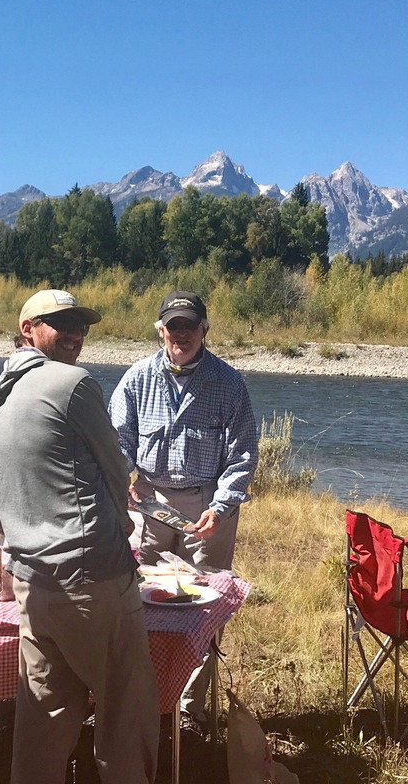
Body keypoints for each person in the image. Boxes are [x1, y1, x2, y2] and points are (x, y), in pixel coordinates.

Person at [0, 289, 159, 784]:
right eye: (62, 323)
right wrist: (121, 528)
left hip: (32, 584)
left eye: (81, 325)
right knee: (125, 712)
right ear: (28, 329)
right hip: (92, 579)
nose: (76, 333)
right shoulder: (73, 383)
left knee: (43, 717)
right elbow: (115, 468)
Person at [108, 290, 258, 735]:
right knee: (141, 601)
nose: (182, 334)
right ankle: (146, 701)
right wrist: (120, 480)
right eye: (173, 326)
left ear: (204, 330)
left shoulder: (229, 384)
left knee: (203, 607)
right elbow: (118, 441)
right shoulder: (136, 379)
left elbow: (242, 456)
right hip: (148, 501)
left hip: (207, 505)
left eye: (190, 326)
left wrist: (222, 506)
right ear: (160, 330)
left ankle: (190, 711)